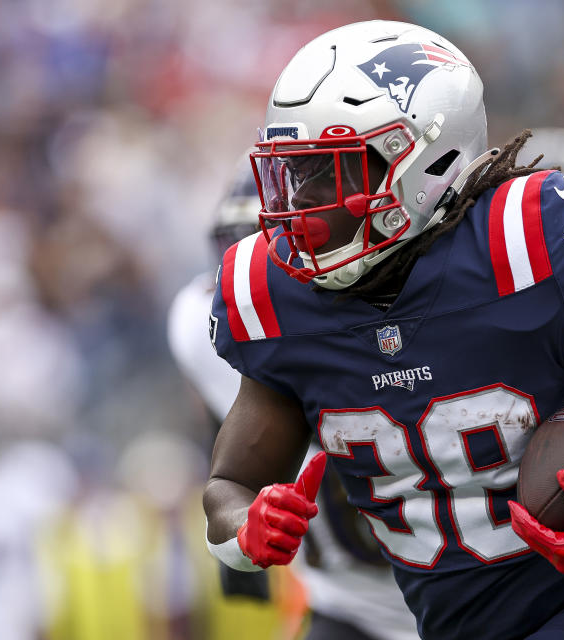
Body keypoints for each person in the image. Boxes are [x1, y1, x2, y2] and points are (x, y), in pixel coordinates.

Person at [203, 20, 564, 640]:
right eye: (294, 173)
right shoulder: (274, 296)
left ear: (422, 162)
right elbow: (231, 486)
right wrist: (245, 530)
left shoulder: (520, 250)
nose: (299, 206)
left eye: (329, 174)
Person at [168, 159, 419, 639]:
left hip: (477, 598)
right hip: (348, 609)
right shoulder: (204, 327)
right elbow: (226, 453)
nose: (253, 293)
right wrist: (241, 525)